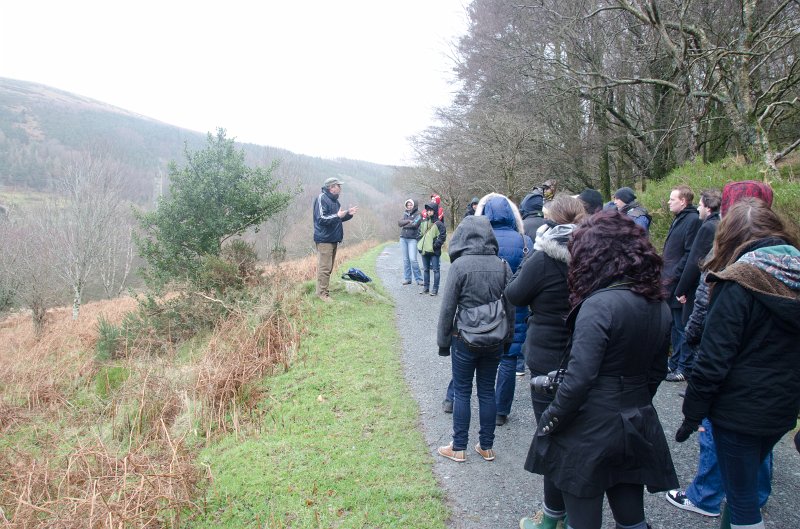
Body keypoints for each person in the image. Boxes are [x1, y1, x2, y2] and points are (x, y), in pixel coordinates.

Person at [526, 210, 678, 529]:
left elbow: (579, 379)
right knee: (631, 518)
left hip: (590, 426)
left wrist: (552, 419)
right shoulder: (658, 304)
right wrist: (631, 403)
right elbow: (656, 372)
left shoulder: (599, 305)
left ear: (596, 257)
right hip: (635, 418)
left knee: (583, 518)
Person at [677, 198, 800, 529]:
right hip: (783, 407)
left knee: (742, 498)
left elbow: (712, 360)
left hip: (739, 410)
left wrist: (692, 414)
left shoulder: (738, 282)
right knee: (741, 489)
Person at [668, 184, 774, 518]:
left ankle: (706, 495)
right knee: (761, 437)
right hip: (776, 378)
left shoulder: (730, 260)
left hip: (737, 375)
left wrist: (693, 409)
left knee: (718, 431)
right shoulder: (786, 260)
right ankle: (756, 493)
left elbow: (705, 314)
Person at [506, 194, 585, 529]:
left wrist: (530, 259)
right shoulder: (595, 253)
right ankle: (579, 515)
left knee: (551, 436)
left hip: (548, 355)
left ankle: (552, 518)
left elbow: (514, 294)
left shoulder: (543, 258)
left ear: (551, 221)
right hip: (587, 352)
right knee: (581, 435)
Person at [436, 215, 514, 462]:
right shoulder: (503, 265)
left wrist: (443, 342)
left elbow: (448, 308)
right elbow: (510, 308)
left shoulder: (459, 266)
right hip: (495, 341)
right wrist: (508, 339)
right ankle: (487, 447)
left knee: (462, 392)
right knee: (487, 392)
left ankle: (459, 448)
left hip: (464, 339)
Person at [475, 193, 533, 426]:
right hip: (515, 305)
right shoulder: (524, 240)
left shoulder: (478, 237)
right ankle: (500, 411)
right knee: (509, 358)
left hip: (482, 302)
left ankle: (452, 399)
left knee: (472, 352)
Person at [662, 184, 701, 381]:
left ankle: (683, 368)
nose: (669, 202)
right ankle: (674, 363)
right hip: (670, 280)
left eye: (672, 199)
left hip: (679, 282)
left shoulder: (693, 220)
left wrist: (676, 277)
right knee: (674, 325)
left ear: (683, 201)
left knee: (681, 325)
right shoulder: (680, 218)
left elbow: (689, 255)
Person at [312, 177, 357, 301]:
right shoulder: (321, 198)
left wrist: (348, 214)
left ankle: (321, 291)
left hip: (333, 238)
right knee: (325, 268)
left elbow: (337, 219)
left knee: (328, 267)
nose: (340, 188)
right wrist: (337, 215)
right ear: (331, 187)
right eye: (338, 186)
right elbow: (321, 218)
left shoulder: (335, 202)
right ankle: (322, 294)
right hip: (324, 239)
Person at [417, 201, 446, 296]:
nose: (429, 212)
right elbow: (419, 234)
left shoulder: (439, 223)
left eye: (431, 210)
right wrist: (420, 245)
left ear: (435, 211)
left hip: (434, 251)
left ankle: (435, 289)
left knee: (436, 270)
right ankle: (426, 288)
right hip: (424, 250)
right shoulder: (423, 222)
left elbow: (442, 236)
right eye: (428, 210)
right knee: (425, 269)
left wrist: (435, 246)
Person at [397, 199, 423, 286]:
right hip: (403, 238)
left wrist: (406, 223)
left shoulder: (419, 214)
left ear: (414, 205)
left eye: (410, 205)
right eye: (408, 205)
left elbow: (415, 224)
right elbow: (399, 223)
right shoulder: (405, 213)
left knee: (413, 259)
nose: (409, 207)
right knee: (405, 260)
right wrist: (408, 221)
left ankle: (419, 279)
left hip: (412, 239)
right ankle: (407, 279)